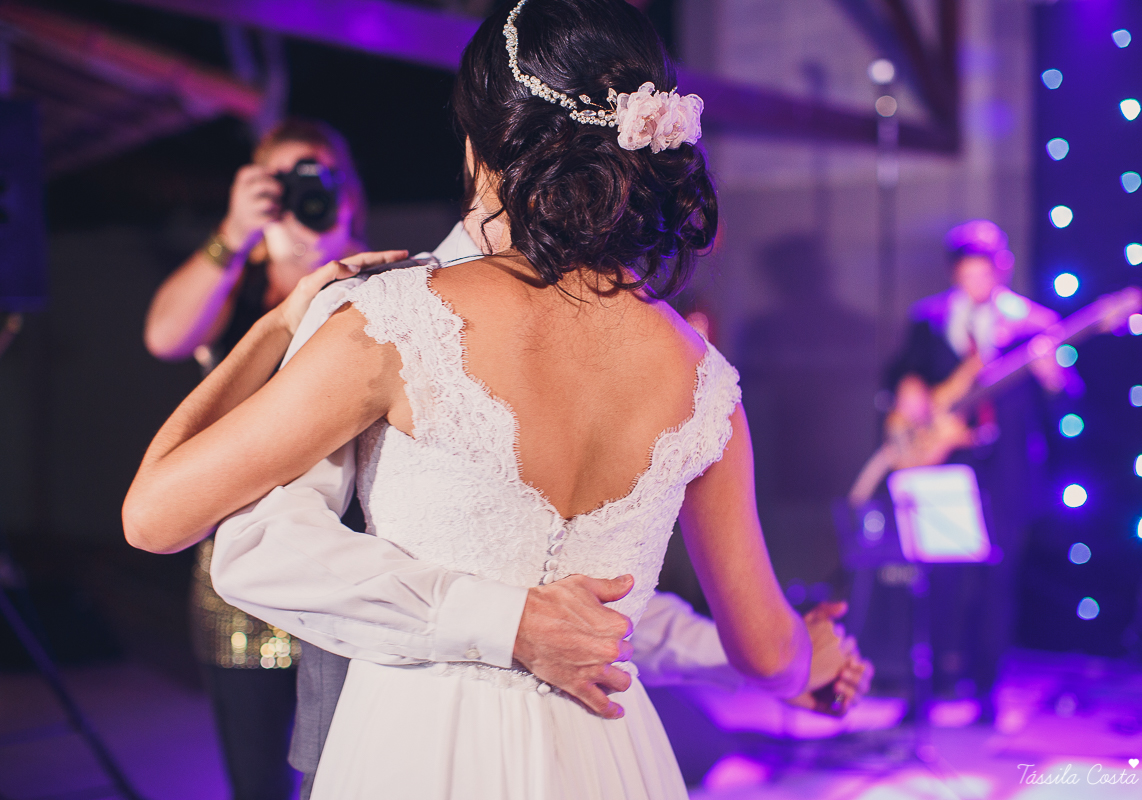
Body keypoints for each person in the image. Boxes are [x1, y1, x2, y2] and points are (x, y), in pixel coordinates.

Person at [123, 1, 858, 795]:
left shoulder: (393, 323)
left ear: (480, 146)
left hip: (419, 748)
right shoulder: (706, 381)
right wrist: (804, 661)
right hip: (608, 757)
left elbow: (155, 517)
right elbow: (765, 648)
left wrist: (278, 324)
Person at [206, 221, 872, 798]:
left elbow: (604, 611)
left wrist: (754, 656)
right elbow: (262, 549)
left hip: (431, 736)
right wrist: (787, 656)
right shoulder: (379, 314)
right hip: (507, 744)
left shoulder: (382, 320)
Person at [141, 117, 368, 800]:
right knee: (258, 784)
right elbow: (162, 336)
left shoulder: (376, 277)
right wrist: (234, 235)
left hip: (355, 559)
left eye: (319, 178)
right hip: (240, 574)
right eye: (286, 180)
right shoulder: (234, 286)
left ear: (348, 189)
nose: (306, 196)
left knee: (359, 769)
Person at [882, 219, 1069, 704]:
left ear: (1001, 269)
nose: (976, 280)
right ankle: (932, 685)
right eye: (967, 271)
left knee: (996, 580)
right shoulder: (929, 317)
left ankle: (988, 692)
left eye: (984, 270)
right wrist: (912, 399)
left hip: (1006, 465)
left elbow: (1065, 404)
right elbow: (903, 378)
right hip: (946, 461)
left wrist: (1054, 378)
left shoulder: (1033, 324)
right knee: (939, 576)